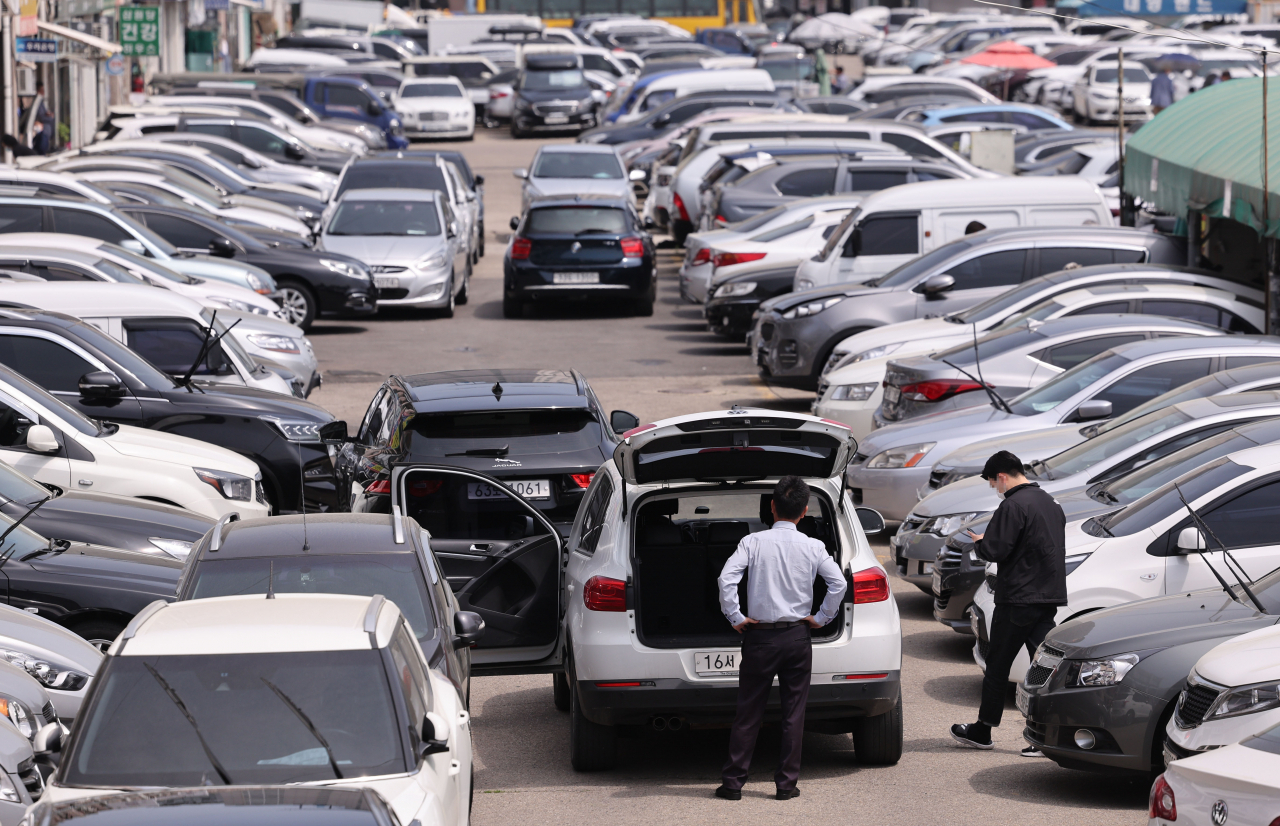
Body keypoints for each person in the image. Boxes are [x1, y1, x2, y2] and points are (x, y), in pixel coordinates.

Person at [715, 476, 847, 801]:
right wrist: (820, 618)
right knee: (793, 714)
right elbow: (839, 584)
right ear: (804, 511)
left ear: (772, 507)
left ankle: (733, 784)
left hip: (759, 637)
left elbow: (725, 579)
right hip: (797, 638)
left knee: (748, 713)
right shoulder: (814, 547)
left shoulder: (752, 543)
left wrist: (736, 617)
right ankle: (786, 786)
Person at [950, 450, 1065, 757]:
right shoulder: (1050, 503)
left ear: (1002, 476)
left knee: (998, 665)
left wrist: (980, 543)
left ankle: (983, 730)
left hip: (1017, 599)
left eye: (992, 482)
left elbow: (995, 550)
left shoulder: (1012, 505)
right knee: (1046, 669)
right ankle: (1049, 737)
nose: (994, 488)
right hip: (1048, 595)